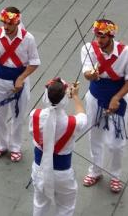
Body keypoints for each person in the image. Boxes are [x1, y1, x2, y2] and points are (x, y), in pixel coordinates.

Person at [80, 19, 128, 194]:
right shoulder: (88, 49)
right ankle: (95, 170)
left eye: (103, 36)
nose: (99, 40)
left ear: (111, 36)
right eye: (97, 35)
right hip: (95, 97)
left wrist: (117, 98)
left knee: (117, 144)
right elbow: (87, 74)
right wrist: (92, 74)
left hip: (117, 98)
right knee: (95, 136)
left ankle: (115, 175)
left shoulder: (126, 52)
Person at [0, 6, 40, 163]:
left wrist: (22, 78)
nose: (6, 27)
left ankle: (15, 146)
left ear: (17, 23)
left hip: (19, 81)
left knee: (18, 115)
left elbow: (35, 62)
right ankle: (0, 144)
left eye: (10, 24)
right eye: (4, 23)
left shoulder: (28, 38)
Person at [30, 78, 87, 216]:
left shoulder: (35, 115)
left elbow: (32, 132)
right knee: (66, 208)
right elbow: (82, 115)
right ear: (64, 99)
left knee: (39, 204)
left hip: (40, 168)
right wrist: (75, 97)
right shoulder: (73, 123)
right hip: (62, 173)